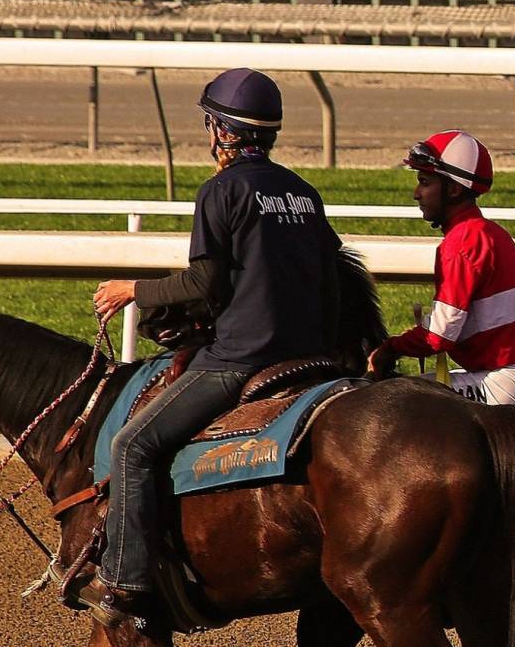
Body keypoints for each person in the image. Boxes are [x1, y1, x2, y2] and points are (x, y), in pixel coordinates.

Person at [82, 68, 342, 624]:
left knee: (131, 447)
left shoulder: (220, 191)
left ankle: (125, 580)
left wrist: (133, 291)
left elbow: (204, 282)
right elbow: (330, 276)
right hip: (314, 359)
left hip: (241, 360)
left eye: (210, 124)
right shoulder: (304, 193)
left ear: (223, 131)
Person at [365, 130, 515, 409]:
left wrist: (390, 349)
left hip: (501, 383)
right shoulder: (488, 232)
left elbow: (439, 335)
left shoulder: (462, 241)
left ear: (453, 189)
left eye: (425, 182)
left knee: (392, 402)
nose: (416, 193)